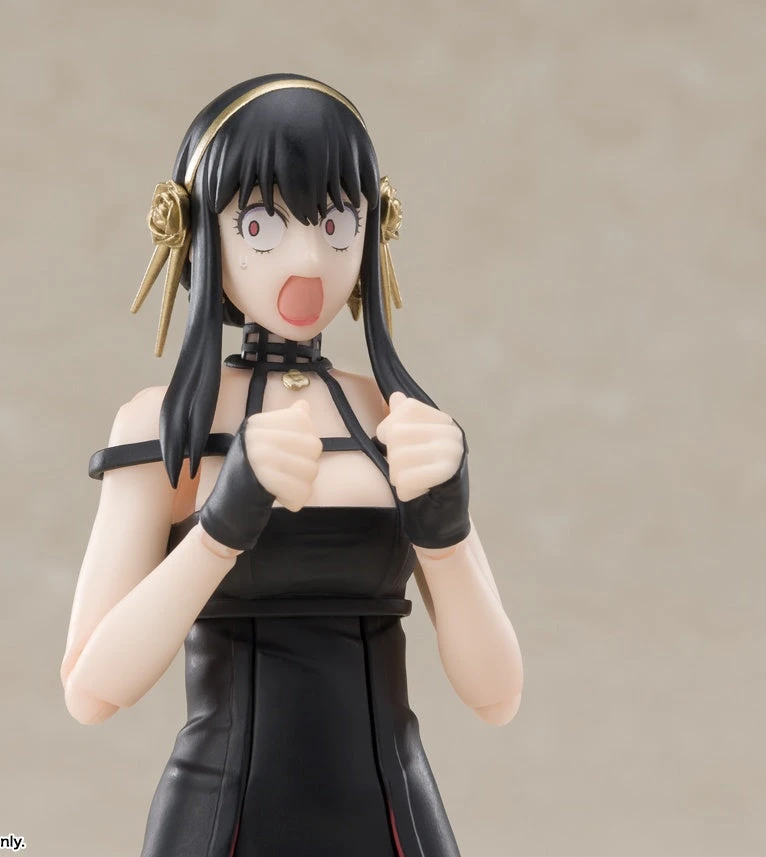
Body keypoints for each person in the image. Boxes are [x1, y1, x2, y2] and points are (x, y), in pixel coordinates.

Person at [60, 73, 523, 857]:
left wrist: (445, 533)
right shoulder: (166, 425)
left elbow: (497, 694)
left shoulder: (398, 421)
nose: (310, 258)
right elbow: (91, 689)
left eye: (337, 223)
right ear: (201, 232)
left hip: (392, 816)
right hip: (220, 819)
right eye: (261, 224)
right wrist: (219, 530)